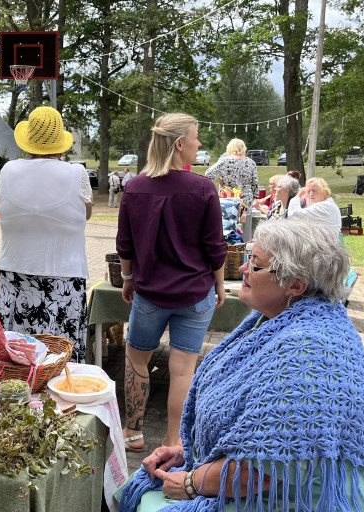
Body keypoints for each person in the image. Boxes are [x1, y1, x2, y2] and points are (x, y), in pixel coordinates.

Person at [120, 219, 364, 512]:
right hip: (274, 481)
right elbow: (253, 429)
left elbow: (264, 468)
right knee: (142, 483)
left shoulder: (310, 353)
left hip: (324, 497)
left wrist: (191, 482)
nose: (243, 269)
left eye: (255, 264)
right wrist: (187, 452)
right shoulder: (277, 319)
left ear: (295, 285)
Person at [117, 113, 227, 452]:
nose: (199, 143)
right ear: (179, 144)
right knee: (182, 371)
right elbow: (215, 247)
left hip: (150, 294)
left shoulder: (135, 187)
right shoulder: (203, 188)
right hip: (195, 294)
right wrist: (219, 284)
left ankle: (133, 432)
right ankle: (171, 440)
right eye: (196, 137)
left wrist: (127, 278)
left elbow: (125, 245)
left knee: (137, 359)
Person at [0, 106, 93, 362]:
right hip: (64, 281)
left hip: (15, 279)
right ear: (61, 145)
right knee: (60, 361)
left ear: (28, 142)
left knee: (15, 360)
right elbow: (86, 213)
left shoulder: (8, 171)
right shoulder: (77, 173)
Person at [205, 138, 259, 207]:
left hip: (228, 195)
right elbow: (255, 183)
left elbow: (208, 173)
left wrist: (221, 182)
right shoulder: (251, 162)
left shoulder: (224, 161)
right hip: (246, 197)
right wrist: (255, 196)